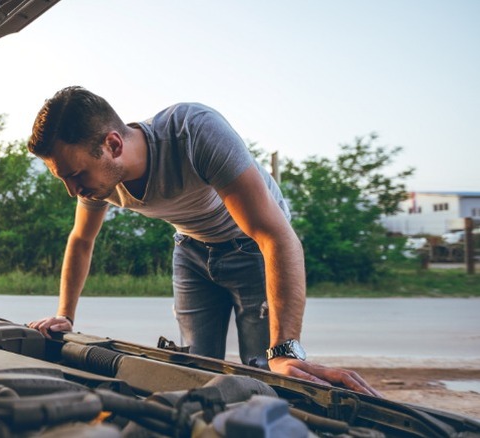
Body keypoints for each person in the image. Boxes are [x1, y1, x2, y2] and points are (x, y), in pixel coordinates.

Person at [26, 86, 380, 396]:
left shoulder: (193, 131)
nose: (72, 190)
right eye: (64, 178)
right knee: (196, 370)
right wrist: (64, 316)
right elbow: (81, 240)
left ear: (113, 144)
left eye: (74, 175)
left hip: (252, 247)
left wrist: (286, 349)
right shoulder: (96, 179)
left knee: (265, 370)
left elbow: (275, 236)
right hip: (191, 251)